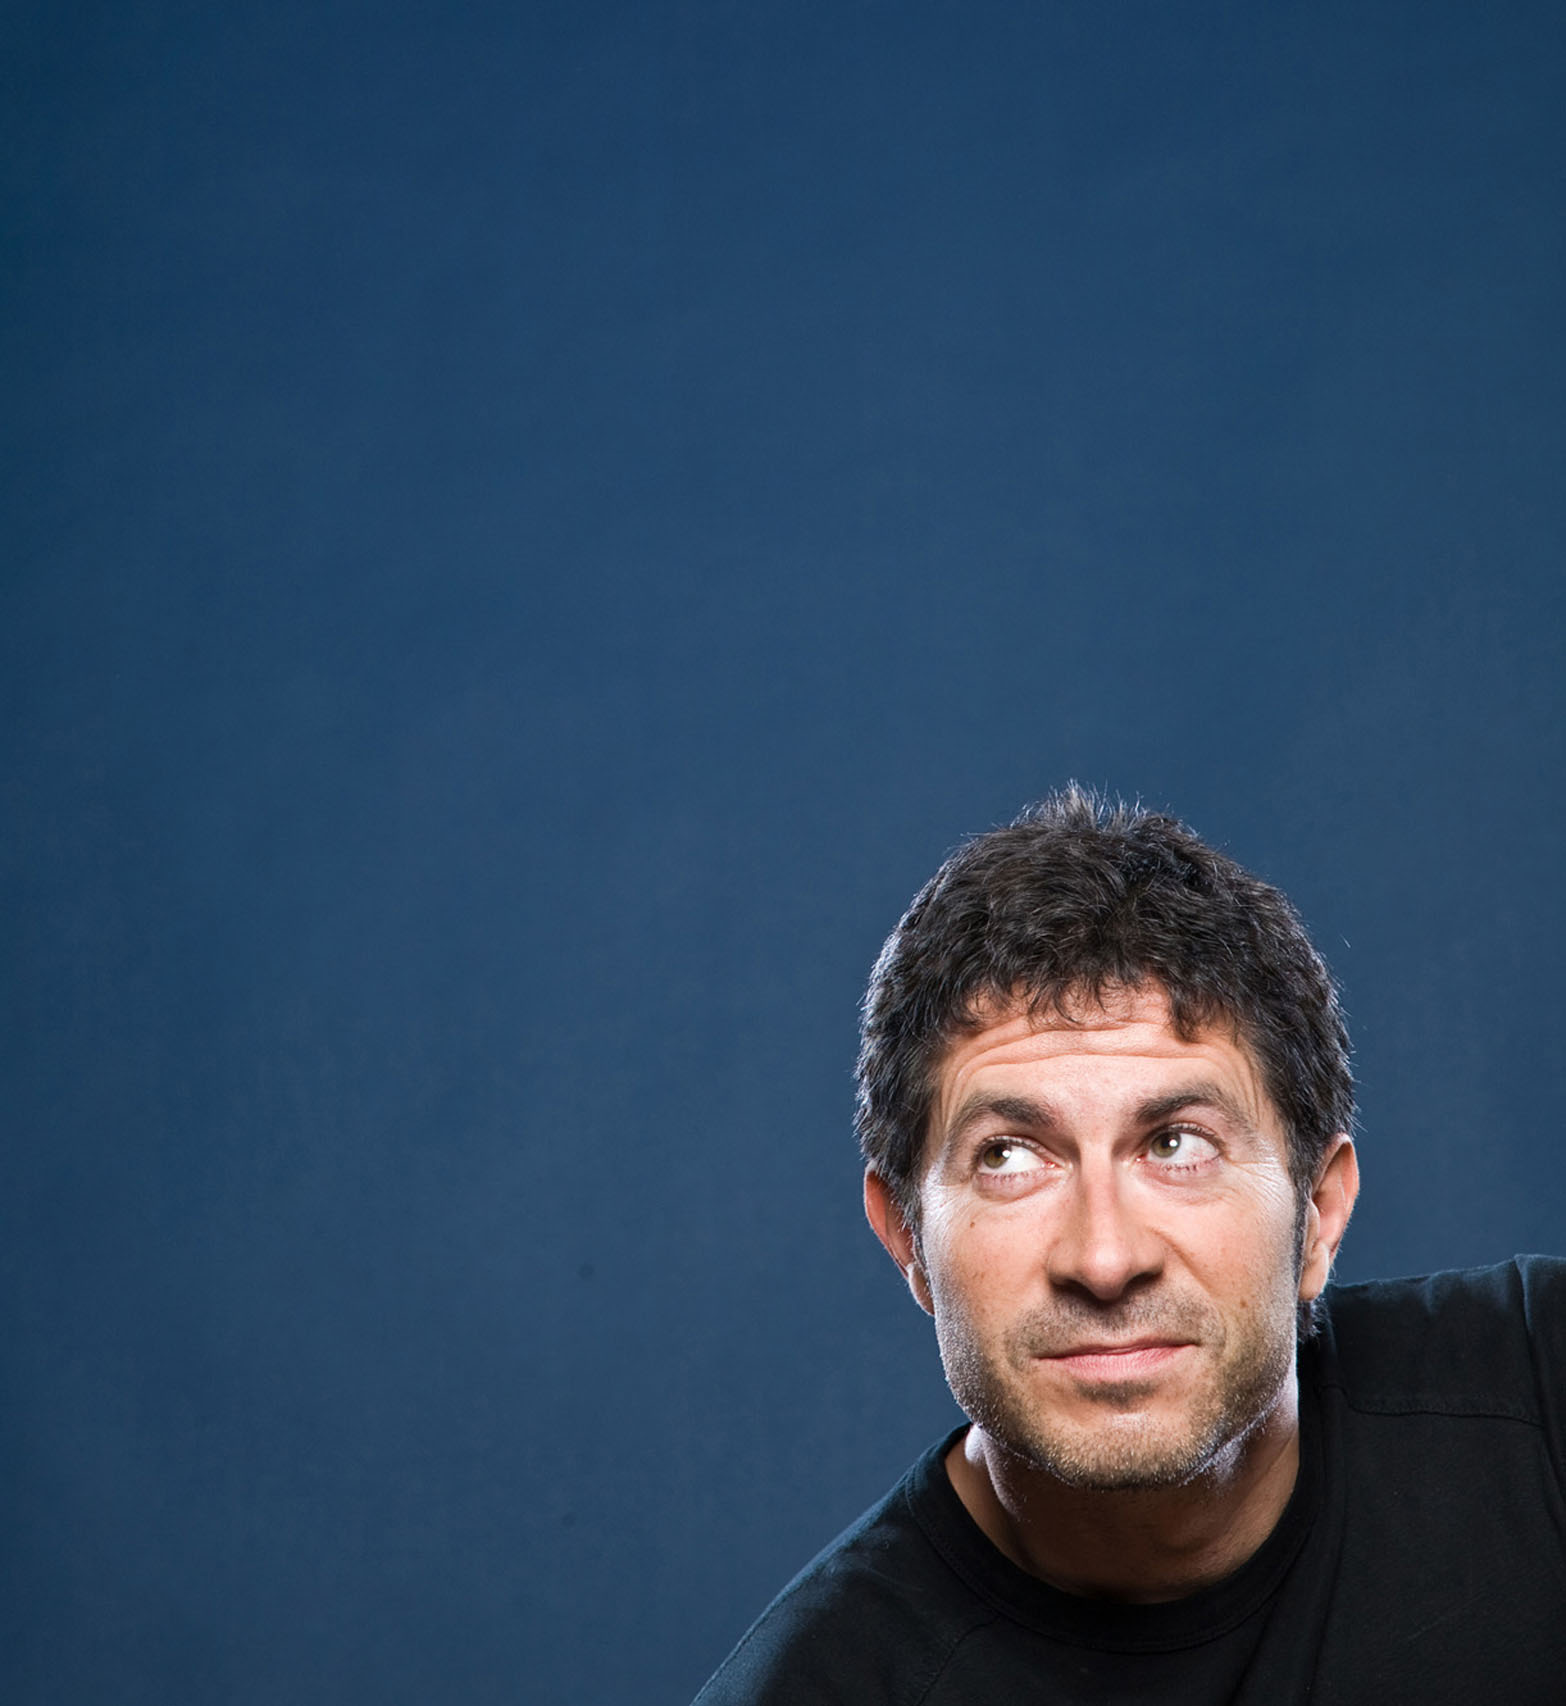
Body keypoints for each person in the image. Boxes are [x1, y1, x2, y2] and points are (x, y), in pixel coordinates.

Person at [693, 787, 1566, 1704]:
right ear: (906, 1237)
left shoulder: (1542, 1399)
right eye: (1008, 1157)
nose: (1104, 1260)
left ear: (1318, 1211)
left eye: (1177, 1144)